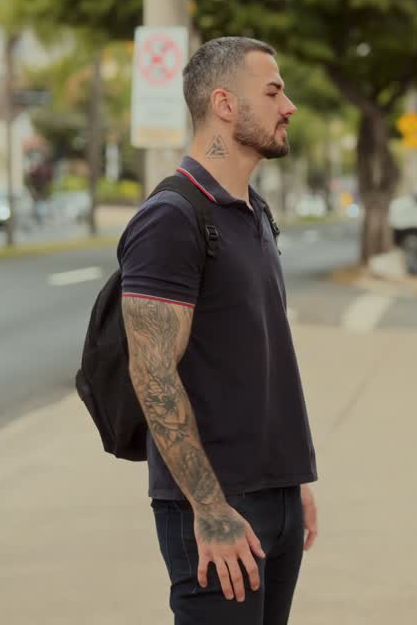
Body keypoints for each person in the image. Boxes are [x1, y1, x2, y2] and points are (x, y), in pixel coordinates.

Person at [118, 36, 318, 625]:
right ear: (225, 105)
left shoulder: (253, 210)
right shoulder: (172, 218)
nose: (289, 107)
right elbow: (151, 373)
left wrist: (290, 483)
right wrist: (208, 508)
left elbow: (255, 356)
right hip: (214, 507)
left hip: (275, 496)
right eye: (274, 92)